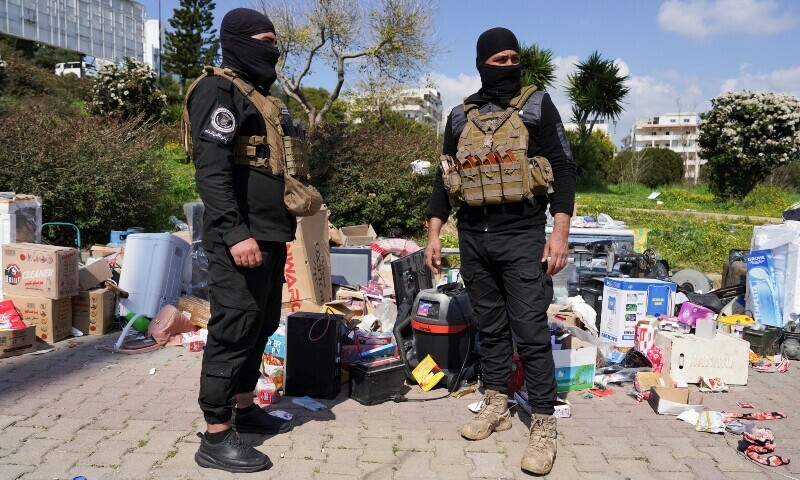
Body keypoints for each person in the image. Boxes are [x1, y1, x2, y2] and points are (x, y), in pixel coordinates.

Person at [425, 27, 576, 475]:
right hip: (473, 235)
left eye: (515, 59)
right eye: (500, 59)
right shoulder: (458, 116)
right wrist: (434, 234)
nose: (509, 66)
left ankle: (544, 423)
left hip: (523, 233)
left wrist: (560, 232)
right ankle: (496, 403)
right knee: (490, 327)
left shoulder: (537, 105)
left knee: (529, 330)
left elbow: (565, 168)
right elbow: (443, 178)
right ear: (481, 62)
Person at [182, 8, 297, 473]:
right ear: (238, 41)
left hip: (269, 233)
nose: (272, 49)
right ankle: (215, 433)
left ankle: (245, 410)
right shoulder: (218, 90)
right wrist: (234, 232)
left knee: (261, 323)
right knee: (233, 327)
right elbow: (211, 171)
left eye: (275, 41)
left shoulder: (260, 96)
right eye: (264, 40)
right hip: (241, 238)